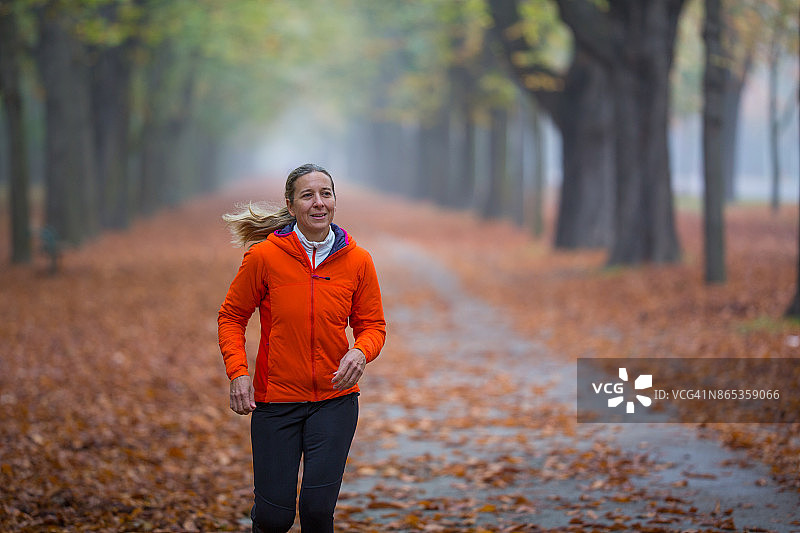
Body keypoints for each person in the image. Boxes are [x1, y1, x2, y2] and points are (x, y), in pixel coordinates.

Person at [218, 163, 386, 533]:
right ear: (291, 205)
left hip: (335, 401)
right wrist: (238, 372)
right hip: (276, 402)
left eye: (325, 193)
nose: (318, 202)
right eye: (307, 195)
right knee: (275, 517)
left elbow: (372, 325)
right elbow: (231, 316)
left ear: (335, 202)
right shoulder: (264, 258)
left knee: (316, 511)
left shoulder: (358, 261)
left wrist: (360, 352)